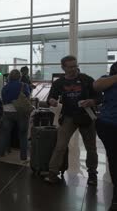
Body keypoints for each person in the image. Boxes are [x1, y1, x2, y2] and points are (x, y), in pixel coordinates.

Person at [45, 55, 100, 185]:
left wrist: (92, 101)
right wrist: (52, 101)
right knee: (60, 146)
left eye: (75, 66)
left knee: (91, 147)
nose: (73, 69)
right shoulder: (59, 83)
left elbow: (99, 96)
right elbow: (51, 98)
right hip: (68, 117)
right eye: (70, 67)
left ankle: (92, 174)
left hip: (86, 117)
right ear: (63, 68)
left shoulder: (86, 80)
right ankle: (53, 172)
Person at [0, 69, 31, 163]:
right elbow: (27, 97)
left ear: (9, 77)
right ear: (19, 77)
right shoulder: (23, 85)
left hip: (7, 112)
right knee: (23, 135)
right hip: (21, 112)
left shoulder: (5, 87)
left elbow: (3, 99)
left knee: (4, 133)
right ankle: (24, 158)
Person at [93, 62, 117, 210]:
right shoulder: (107, 80)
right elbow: (96, 86)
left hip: (108, 124)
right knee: (114, 159)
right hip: (109, 125)